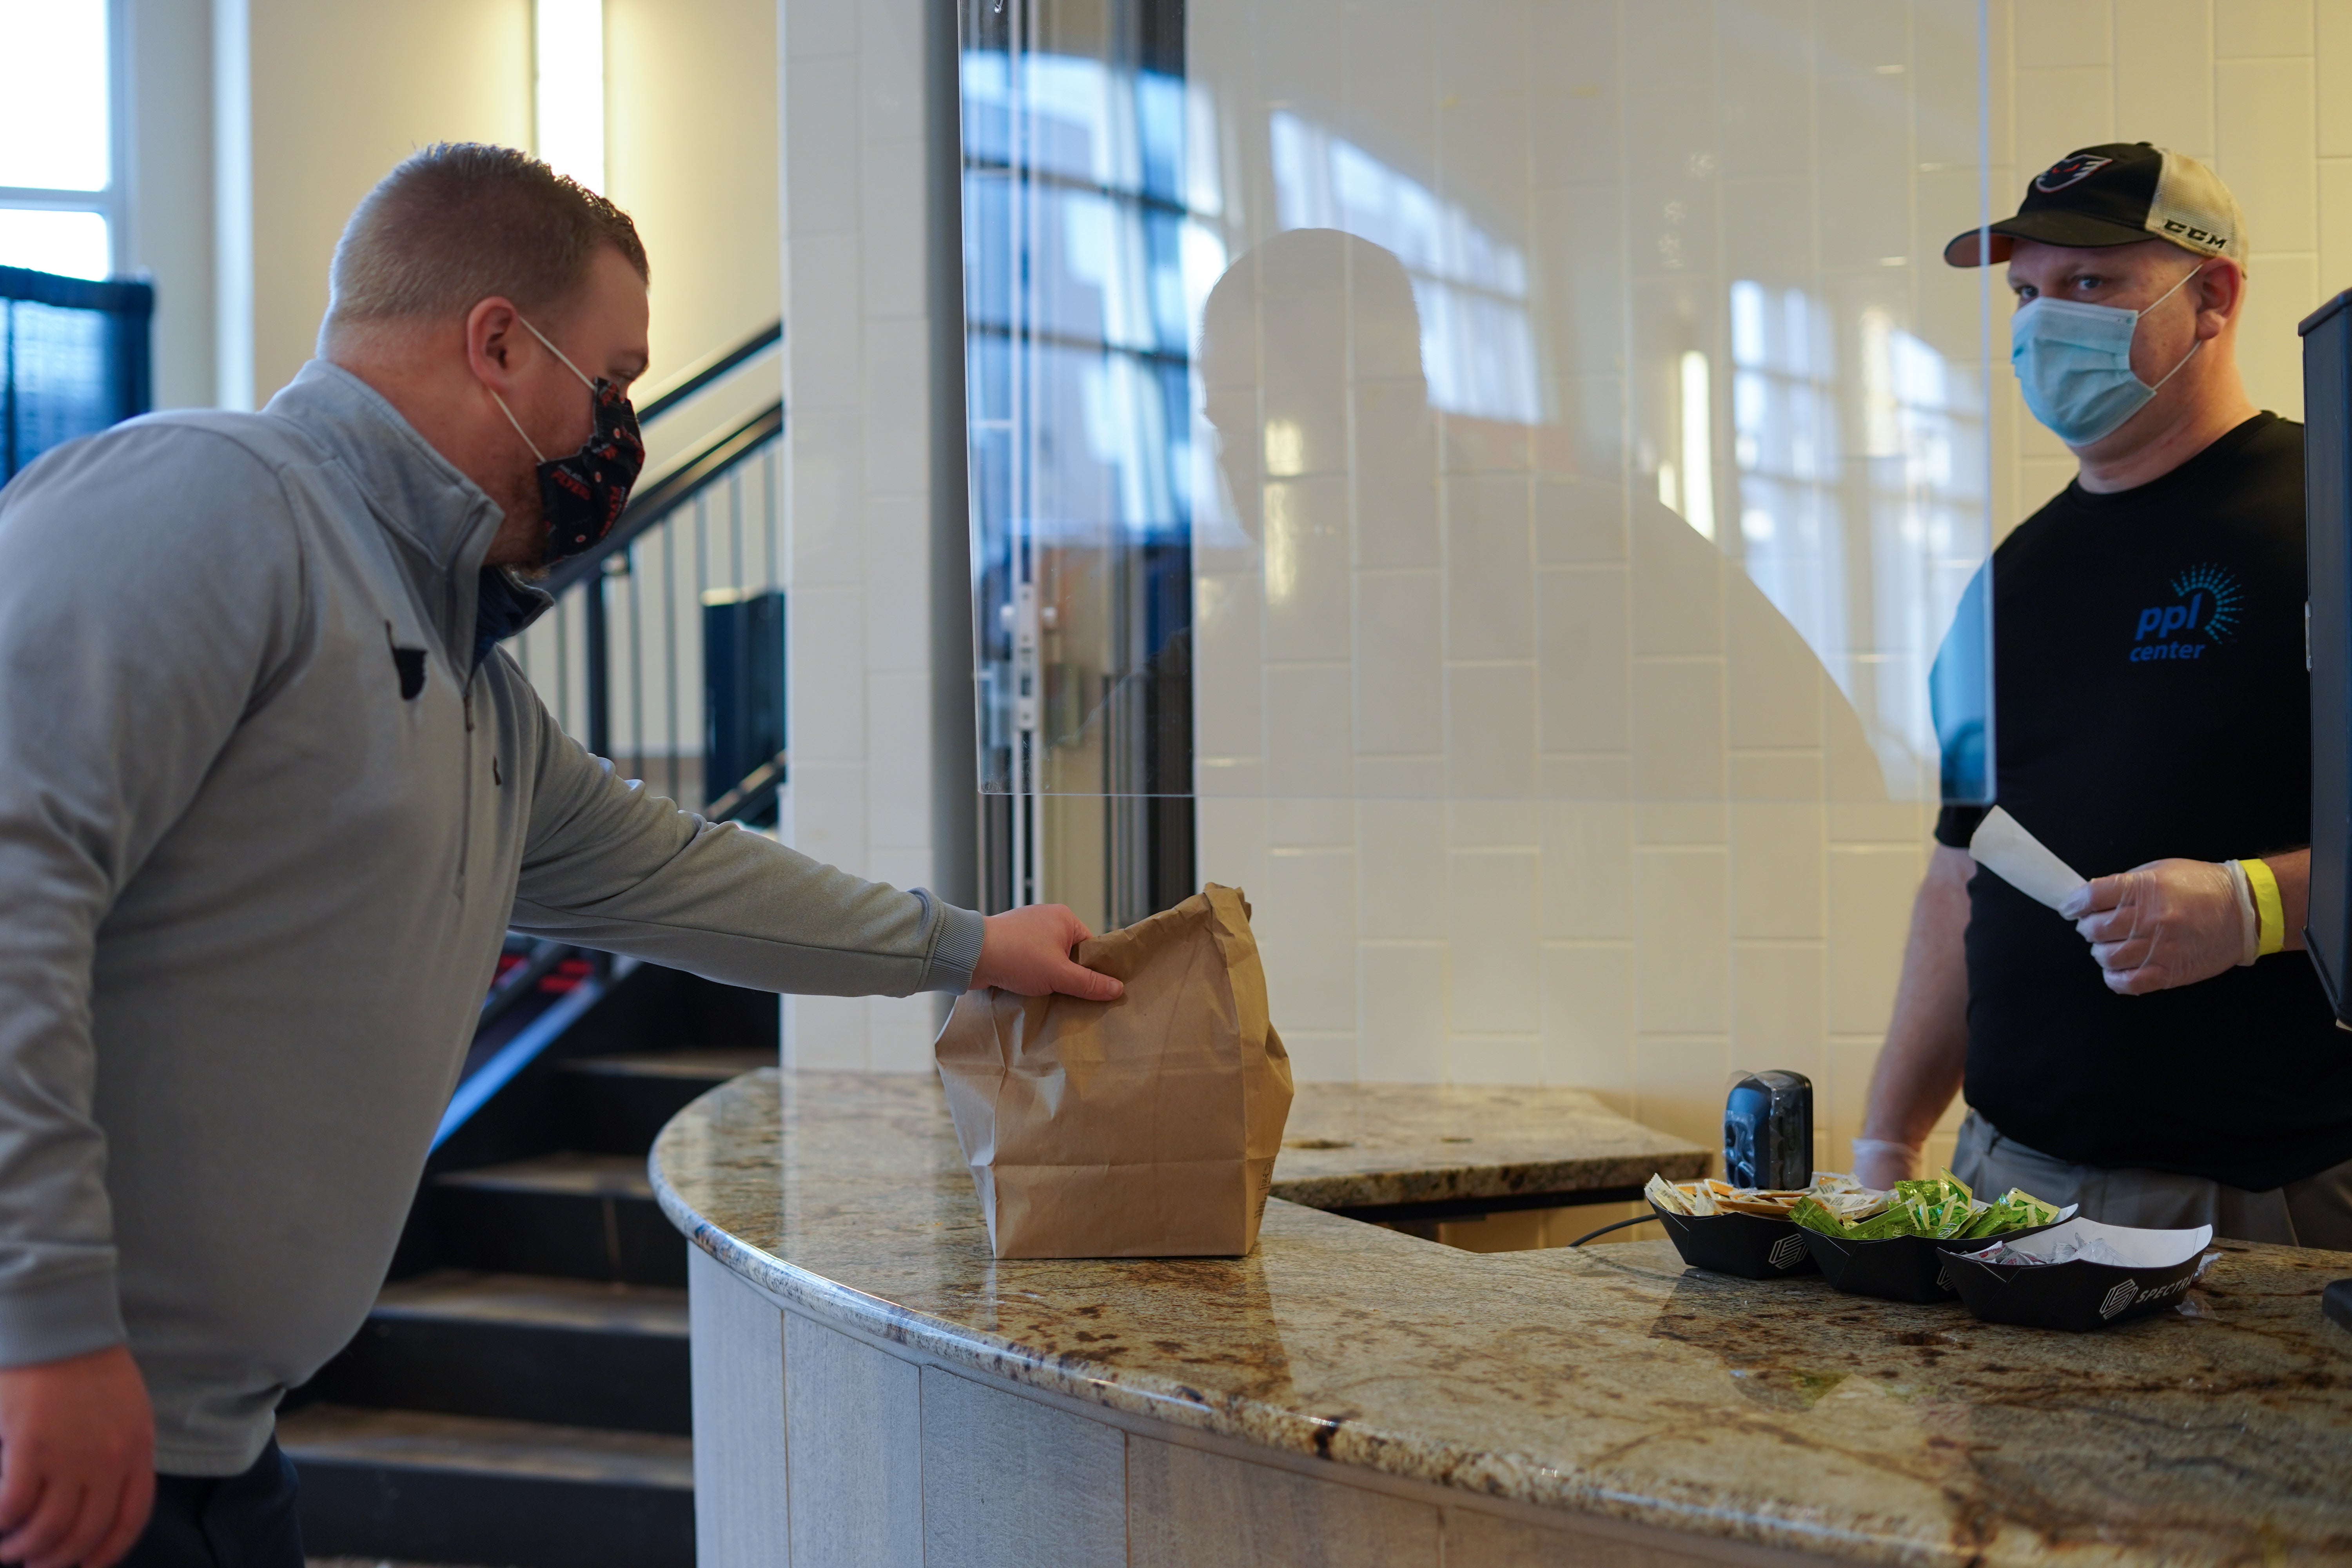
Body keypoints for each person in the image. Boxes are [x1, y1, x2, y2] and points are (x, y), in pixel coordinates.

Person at [0, 144, 1120, 1568]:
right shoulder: (215, 504)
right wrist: (39, 1325)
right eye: (616, 380)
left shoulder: (466, 681)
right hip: (50, 1426)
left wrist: (966, 944)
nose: (623, 426)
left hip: (210, 1456)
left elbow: (682, 874)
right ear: (497, 345)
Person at [1856, 143, 2352, 1248]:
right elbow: (1959, 874)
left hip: (2262, 1203)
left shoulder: (2333, 514)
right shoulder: (2012, 582)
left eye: (2090, 285)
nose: (2043, 326)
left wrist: (2252, 908)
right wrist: (1889, 1145)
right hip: (2002, 1185)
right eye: (2026, 293)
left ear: (2213, 296)